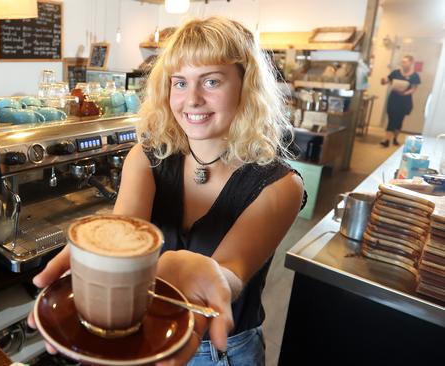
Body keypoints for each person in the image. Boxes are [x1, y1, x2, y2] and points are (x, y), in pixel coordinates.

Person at [28, 17, 305, 366]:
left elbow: (231, 271)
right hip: (147, 332)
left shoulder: (279, 185)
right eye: (180, 82)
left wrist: (214, 277)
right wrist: (99, 260)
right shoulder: (148, 157)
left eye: (212, 81)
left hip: (224, 350)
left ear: (245, 87)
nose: (192, 99)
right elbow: (125, 227)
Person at [380, 55, 420, 147]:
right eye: (402, 61)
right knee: (392, 118)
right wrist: (383, 80)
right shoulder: (396, 72)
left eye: (405, 62)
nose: (403, 63)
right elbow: (386, 81)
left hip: (404, 100)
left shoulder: (415, 75)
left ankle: (394, 138)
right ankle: (386, 140)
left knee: (399, 120)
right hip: (394, 98)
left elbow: (413, 89)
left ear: (411, 63)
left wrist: (404, 93)